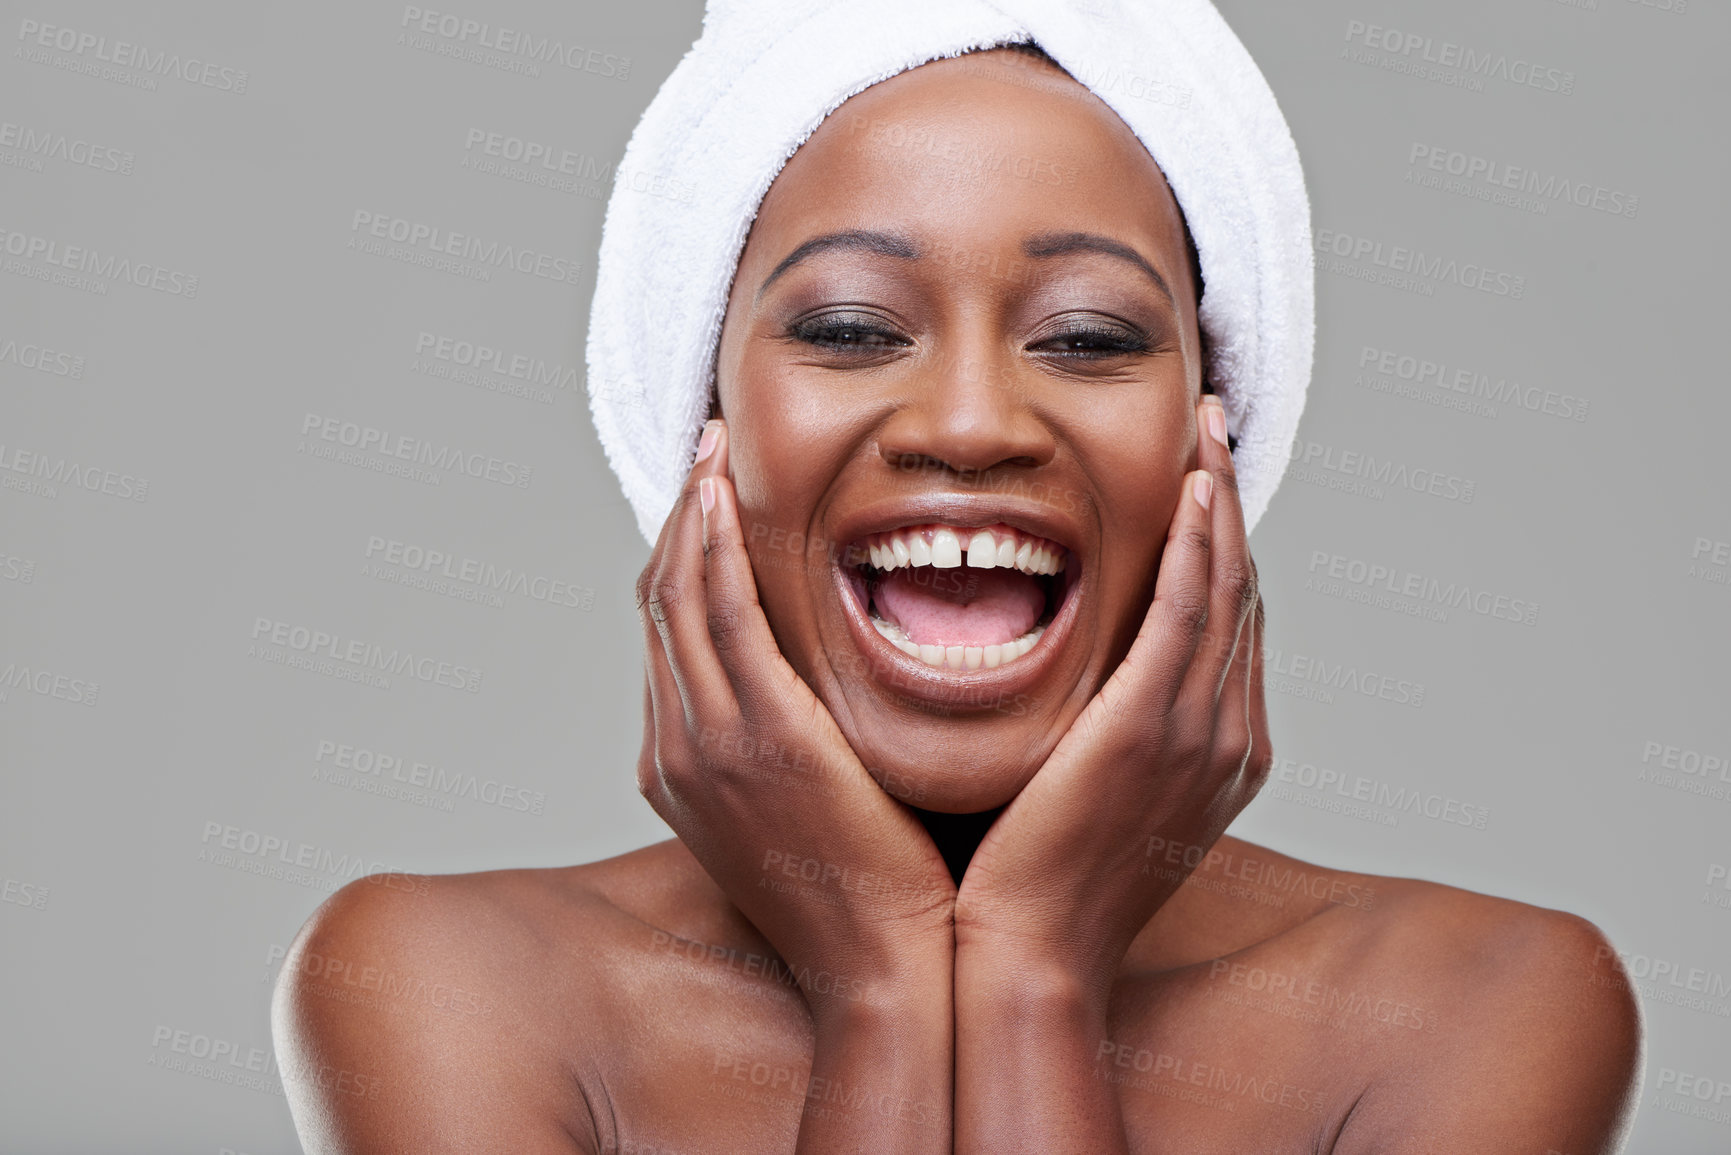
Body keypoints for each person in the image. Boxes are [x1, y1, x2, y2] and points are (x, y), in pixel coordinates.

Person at [272, 28, 1641, 1155]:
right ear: (703, 424)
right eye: (853, 328)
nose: (975, 424)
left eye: (1090, 337)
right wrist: (883, 978)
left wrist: (1030, 966)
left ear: (1211, 441)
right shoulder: (445, 988)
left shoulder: (1480, 1008)